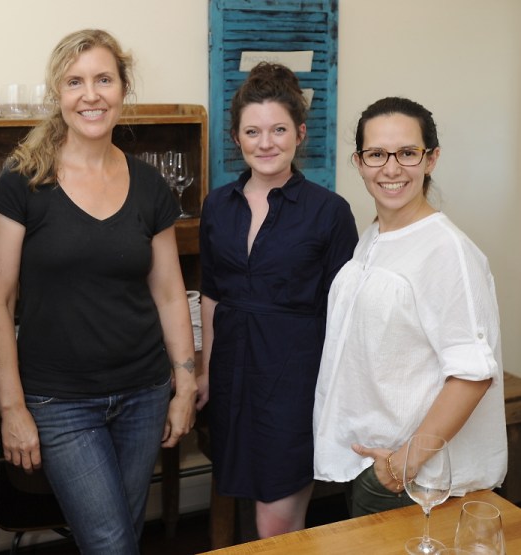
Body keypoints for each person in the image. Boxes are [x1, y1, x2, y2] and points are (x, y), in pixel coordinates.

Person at [0, 29, 197, 554]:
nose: (91, 94)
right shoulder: (24, 183)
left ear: (123, 88)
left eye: (104, 79)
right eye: (75, 82)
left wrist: (185, 385)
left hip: (144, 392)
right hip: (58, 400)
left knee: (121, 529)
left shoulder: (149, 185)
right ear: (58, 94)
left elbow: (170, 294)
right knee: (108, 539)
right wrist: (12, 408)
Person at [313, 97, 507, 516]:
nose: (391, 168)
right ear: (360, 162)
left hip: (413, 479)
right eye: (377, 154)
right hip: (369, 462)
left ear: (431, 159)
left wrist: (402, 465)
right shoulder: (374, 237)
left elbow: (472, 375)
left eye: (407, 153)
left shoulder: (446, 251)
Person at [197, 62, 358, 538]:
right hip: (231, 377)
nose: (265, 143)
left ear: (300, 133)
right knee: (246, 506)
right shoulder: (216, 205)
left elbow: (345, 315)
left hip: (295, 381)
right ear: (237, 137)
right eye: (253, 131)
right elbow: (212, 294)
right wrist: (205, 370)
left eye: (278, 129)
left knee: (275, 522)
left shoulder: (330, 212)